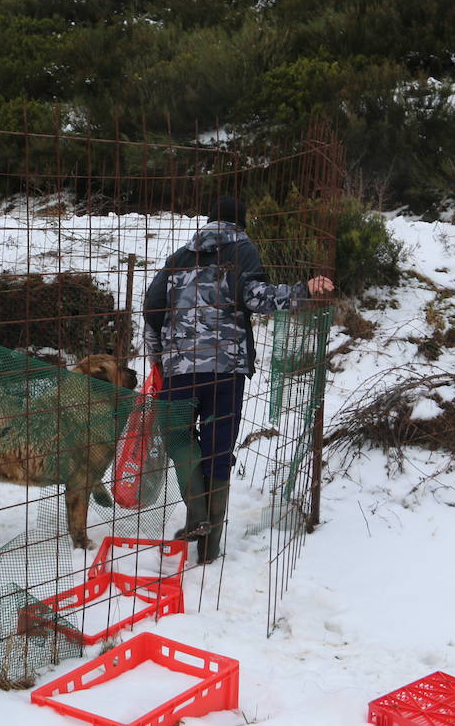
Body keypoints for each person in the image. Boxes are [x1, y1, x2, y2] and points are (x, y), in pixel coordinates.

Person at [142, 196, 334, 564]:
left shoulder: (179, 257)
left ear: (209, 220)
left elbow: (152, 310)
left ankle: (197, 515)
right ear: (241, 222)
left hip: (180, 369)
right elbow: (258, 299)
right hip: (226, 372)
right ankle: (209, 547)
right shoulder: (243, 250)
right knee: (218, 447)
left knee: (179, 437)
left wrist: (159, 358)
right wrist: (302, 290)